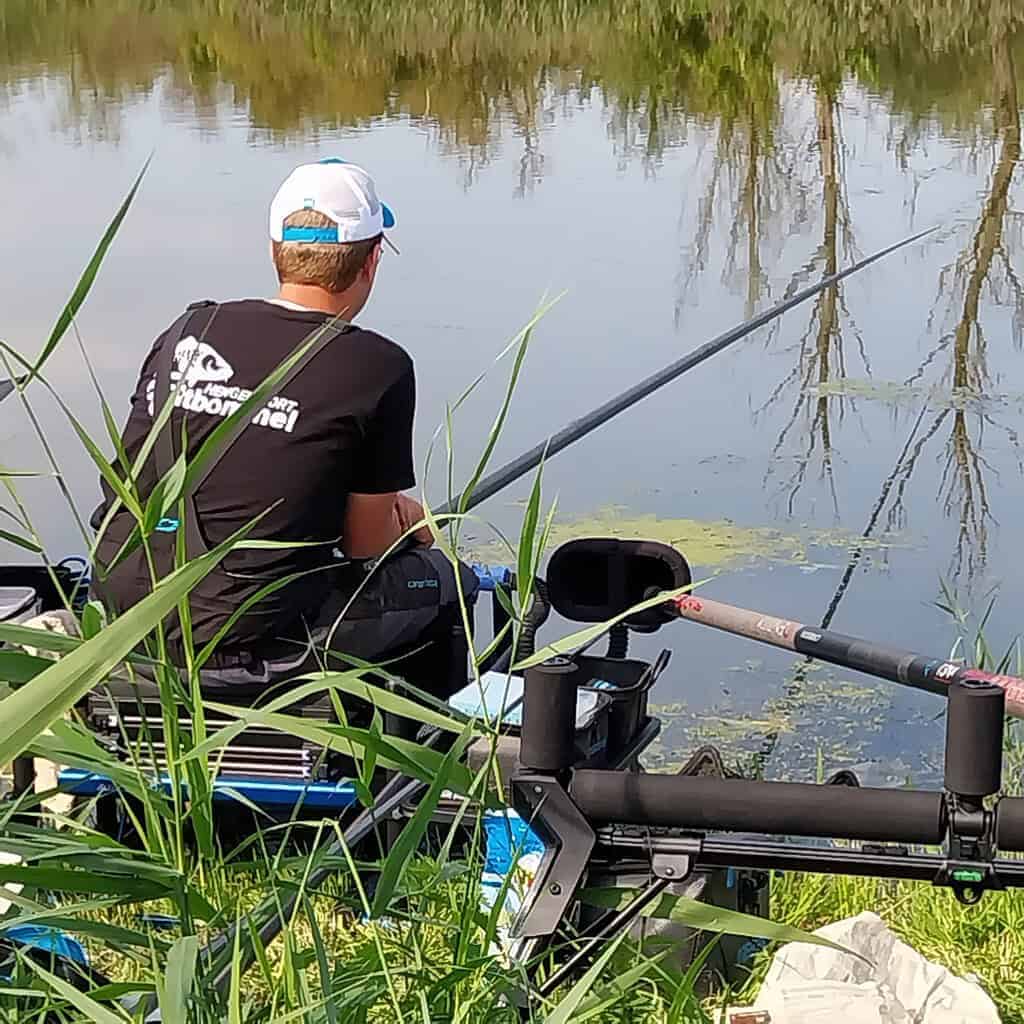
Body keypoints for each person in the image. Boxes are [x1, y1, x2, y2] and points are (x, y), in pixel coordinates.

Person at [90, 158, 480, 700]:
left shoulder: (188, 328)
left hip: (125, 606)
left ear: (276, 252)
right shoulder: (377, 366)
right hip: (249, 636)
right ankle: (417, 760)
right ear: (371, 262)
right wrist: (407, 526)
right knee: (444, 582)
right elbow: (365, 545)